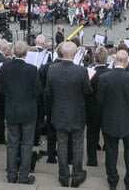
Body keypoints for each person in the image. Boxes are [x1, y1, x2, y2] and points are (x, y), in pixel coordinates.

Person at [45, 41, 90, 188]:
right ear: (75, 53)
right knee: (78, 145)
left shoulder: (52, 69)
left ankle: (63, 176)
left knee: (62, 145)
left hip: (59, 112)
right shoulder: (81, 71)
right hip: (77, 113)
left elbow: (48, 93)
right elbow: (87, 91)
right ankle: (77, 174)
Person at [96, 50, 129, 190]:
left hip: (110, 119)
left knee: (111, 151)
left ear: (114, 61)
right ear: (127, 63)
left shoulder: (104, 78)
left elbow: (99, 101)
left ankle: (112, 180)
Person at [0, 40, 41, 185]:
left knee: (12, 143)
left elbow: (1, 89)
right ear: (26, 53)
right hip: (28, 111)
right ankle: (23, 176)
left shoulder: (5, 68)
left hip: (12, 110)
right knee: (27, 144)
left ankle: (11, 175)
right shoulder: (32, 69)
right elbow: (38, 91)